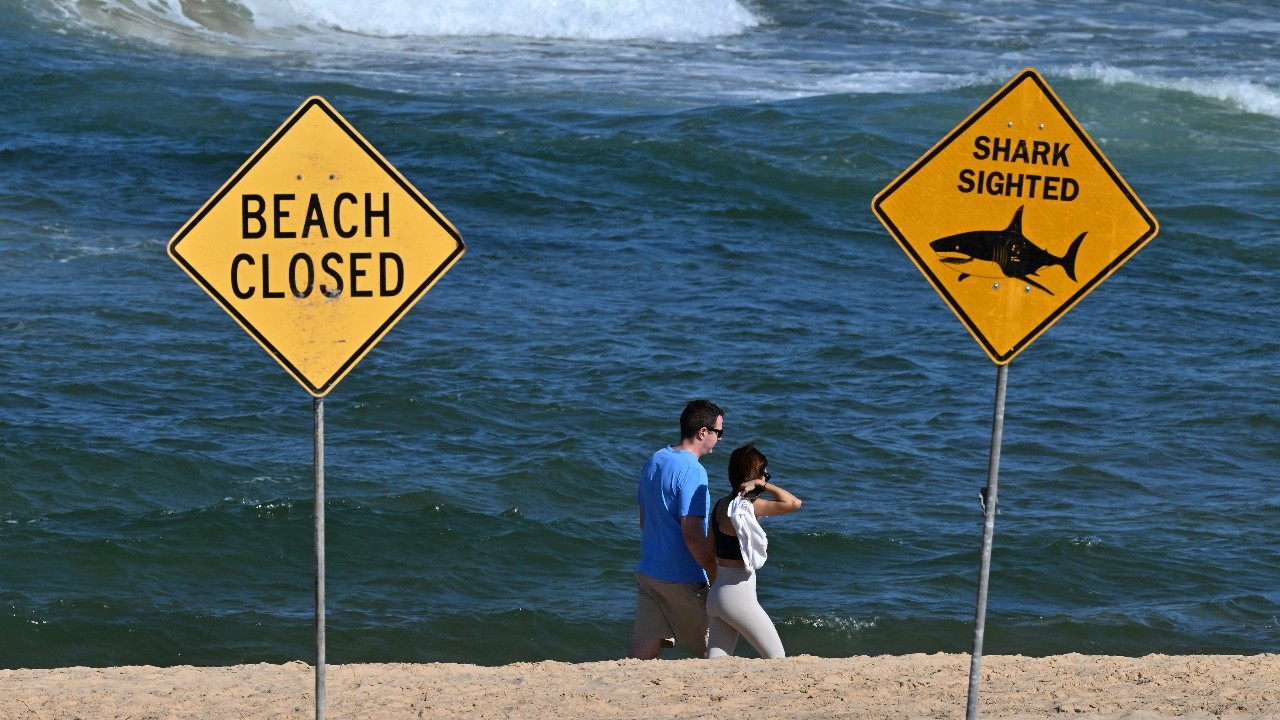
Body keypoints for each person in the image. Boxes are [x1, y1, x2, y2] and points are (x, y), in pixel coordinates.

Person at [628, 399, 725, 659]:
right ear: (703, 432)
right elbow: (692, 534)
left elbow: (643, 521)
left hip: (649, 571)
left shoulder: (654, 461)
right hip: (682, 578)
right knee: (715, 640)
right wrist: (714, 574)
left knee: (642, 652)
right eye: (719, 432)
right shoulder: (694, 470)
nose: (720, 439)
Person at [706, 444, 801, 659]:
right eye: (764, 473)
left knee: (714, 668)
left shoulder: (721, 505)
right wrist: (761, 485)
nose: (766, 477)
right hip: (739, 595)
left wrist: (715, 587)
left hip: (717, 593)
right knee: (778, 659)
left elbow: (708, 550)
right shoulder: (748, 506)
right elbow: (794, 503)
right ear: (752, 476)